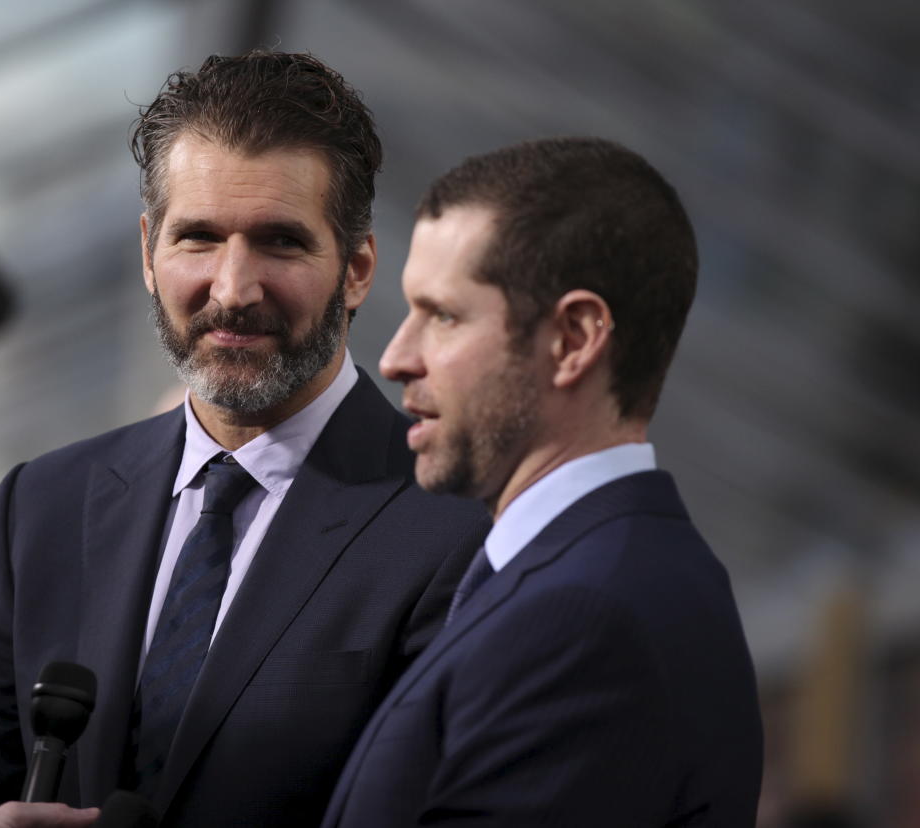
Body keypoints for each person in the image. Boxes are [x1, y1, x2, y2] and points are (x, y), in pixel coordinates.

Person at [0, 52, 487, 828]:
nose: (232, 289)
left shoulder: (459, 523)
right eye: (198, 239)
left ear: (356, 269)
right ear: (150, 253)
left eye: (280, 242)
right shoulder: (42, 507)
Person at [323, 137, 763, 827]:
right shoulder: (594, 578)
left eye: (443, 314)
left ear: (574, 339)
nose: (395, 357)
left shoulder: (583, 622)